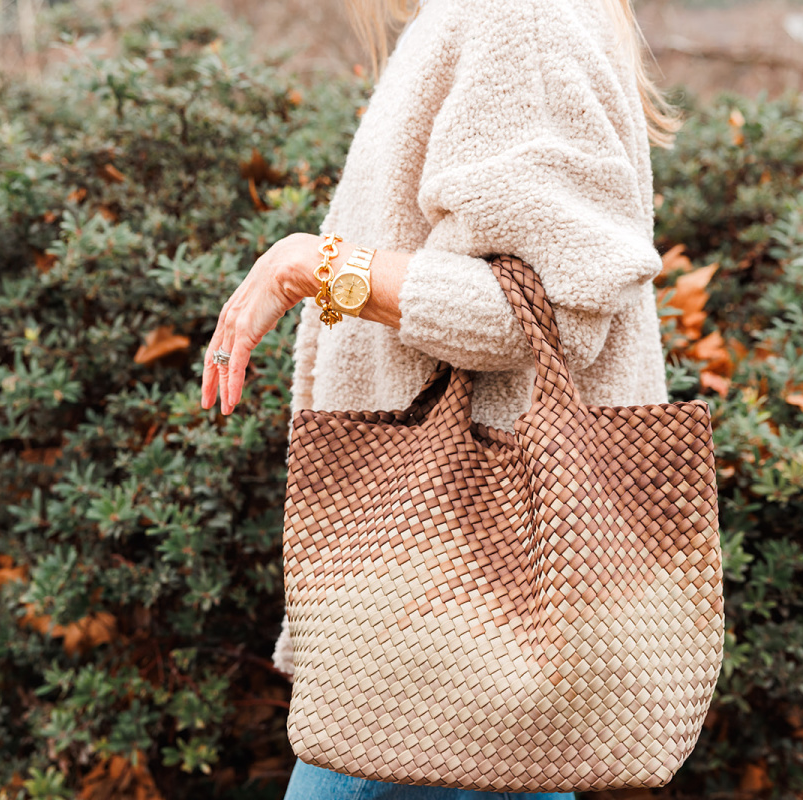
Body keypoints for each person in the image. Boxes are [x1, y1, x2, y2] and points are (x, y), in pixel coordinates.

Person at [200, 0, 681, 796]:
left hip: (447, 605)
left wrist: (312, 267)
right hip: (464, 612)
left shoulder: (518, 15)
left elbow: (546, 315)